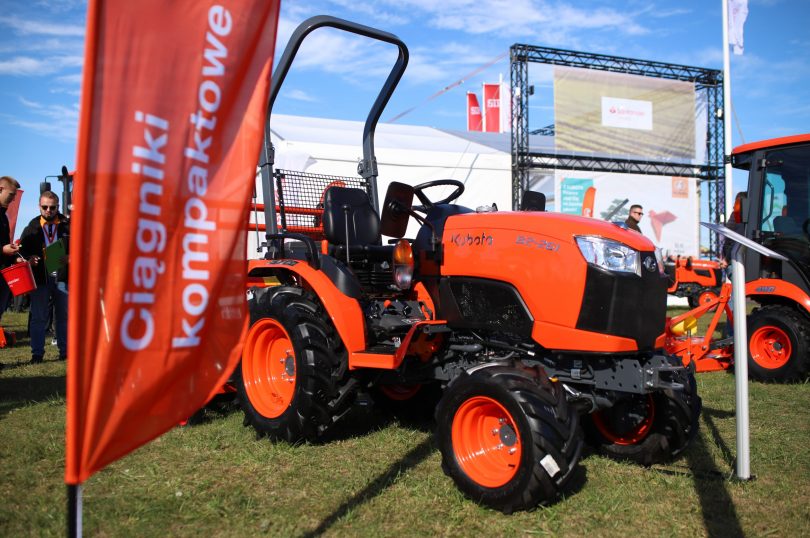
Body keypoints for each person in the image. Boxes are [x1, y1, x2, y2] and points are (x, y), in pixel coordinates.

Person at [19, 191, 69, 364]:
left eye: (52, 207)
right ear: (39, 206)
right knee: (39, 316)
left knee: (63, 316)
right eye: (45, 207)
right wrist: (28, 258)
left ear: (58, 207)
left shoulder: (68, 225)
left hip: (62, 277)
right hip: (40, 277)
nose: (49, 210)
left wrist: (70, 257)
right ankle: (37, 354)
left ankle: (65, 351)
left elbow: (82, 246)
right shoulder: (31, 227)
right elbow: (21, 252)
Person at [0, 176, 22, 323]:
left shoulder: (3, 216)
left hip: (3, 271)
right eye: (11, 195)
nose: (13, 199)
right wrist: (2, 250)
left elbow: (5, 243)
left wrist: (15, 257)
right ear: (1, 189)